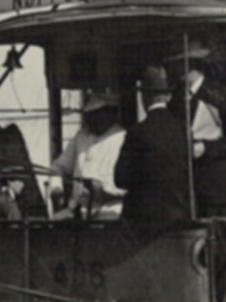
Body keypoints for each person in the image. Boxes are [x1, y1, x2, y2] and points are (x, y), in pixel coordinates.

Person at [170, 45, 226, 218]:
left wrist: (206, 148)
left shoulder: (219, 95)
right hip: (186, 188)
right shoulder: (176, 99)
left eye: (179, 64)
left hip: (216, 184)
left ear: (192, 65)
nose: (175, 70)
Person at [114, 65, 192, 233]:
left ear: (144, 97)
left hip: (142, 220)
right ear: (168, 97)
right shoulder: (183, 129)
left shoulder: (138, 132)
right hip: (177, 217)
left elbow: (120, 178)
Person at [48, 91, 127, 220]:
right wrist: (56, 188)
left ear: (109, 113)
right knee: (53, 223)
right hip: (77, 210)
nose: (91, 122)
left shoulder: (123, 138)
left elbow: (133, 186)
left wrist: (104, 190)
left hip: (110, 211)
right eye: (89, 116)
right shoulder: (81, 137)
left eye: (96, 116)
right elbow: (58, 167)